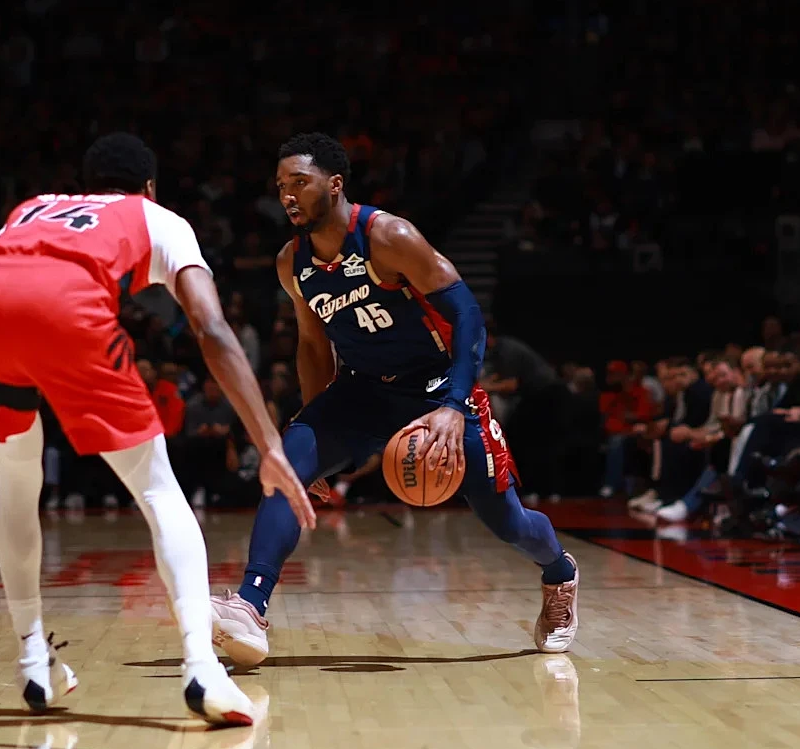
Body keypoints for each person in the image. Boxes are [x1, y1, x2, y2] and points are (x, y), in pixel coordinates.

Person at [0, 133, 315, 726]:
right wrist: (269, 443)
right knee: (159, 491)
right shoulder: (156, 217)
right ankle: (203, 670)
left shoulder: (31, 211)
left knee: (17, 482)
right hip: (67, 313)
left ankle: (34, 658)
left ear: (84, 188)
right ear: (149, 187)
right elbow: (211, 329)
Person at [210, 133, 579, 666]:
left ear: (334, 185)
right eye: (281, 185)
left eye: (300, 182)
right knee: (285, 467)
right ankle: (250, 604)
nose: (288, 195)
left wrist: (454, 405)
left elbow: (468, 316)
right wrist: (316, 429)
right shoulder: (292, 262)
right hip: (362, 390)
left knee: (507, 521)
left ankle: (560, 573)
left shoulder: (389, 236)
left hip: (435, 390)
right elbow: (312, 345)